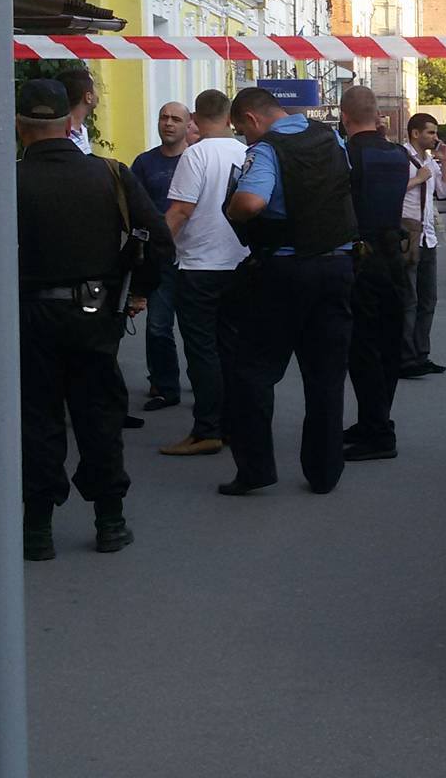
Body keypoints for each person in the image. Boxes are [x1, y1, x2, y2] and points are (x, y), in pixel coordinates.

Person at [15, 79, 173, 561]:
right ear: (70, 123)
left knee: (38, 420)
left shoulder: (5, 179)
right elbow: (159, 243)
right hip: (95, 312)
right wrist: (138, 291)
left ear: (20, 128)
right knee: (99, 417)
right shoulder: (111, 174)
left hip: (29, 316)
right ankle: (110, 521)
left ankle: (37, 531)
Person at [218, 87, 357, 496]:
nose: (244, 138)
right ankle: (325, 472)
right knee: (326, 375)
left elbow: (251, 202)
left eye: (242, 130)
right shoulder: (330, 137)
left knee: (253, 372)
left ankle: (256, 469)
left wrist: (230, 208)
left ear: (252, 119)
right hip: (337, 266)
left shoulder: (266, 150)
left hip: (284, 270)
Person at [158, 90, 250, 458]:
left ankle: (207, 428)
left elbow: (180, 211)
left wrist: (153, 253)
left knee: (202, 351)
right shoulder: (247, 152)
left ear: (195, 117)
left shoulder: (195, 154)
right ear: (229, 117)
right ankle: (233, 423)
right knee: (231, 347)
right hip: (239, 263)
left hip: (199, 266)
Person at [339, 85, 414, 462]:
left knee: (363, 348)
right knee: (387, 345)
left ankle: (378, 433)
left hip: (360, 258)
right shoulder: (398, 155)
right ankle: (373, 421)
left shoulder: (348, 154)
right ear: (378, 116)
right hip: (393, 258)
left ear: (343, 115)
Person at [130, 101, 192, 414]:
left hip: (193, 256)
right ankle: (164, 384)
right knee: (158, 325)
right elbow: (132, 207)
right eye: (164, 118)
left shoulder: (195, 159)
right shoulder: (144, 163)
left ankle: (204, 380)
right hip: (159, 258)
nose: (168, 123)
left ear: (187, 125)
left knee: (197, 327)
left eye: (175, 119)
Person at [399, 114, 446, 379]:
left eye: (435, 132)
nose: (435, 137)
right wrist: (419, 178)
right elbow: (392, 191)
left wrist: (443, 162)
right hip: (408, 239)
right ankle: (405, 357)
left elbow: (445, 192)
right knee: (409, 300)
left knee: (428, 300)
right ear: (415, 133)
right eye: (430, 133)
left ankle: (421, 354)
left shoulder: (430, 161)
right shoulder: (401, 158)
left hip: (428, 239)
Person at [56, 67, 98, 156]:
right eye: (95, 86)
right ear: (88, 97)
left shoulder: (82, 130)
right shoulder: (61, 134)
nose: (97, 92)